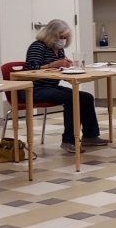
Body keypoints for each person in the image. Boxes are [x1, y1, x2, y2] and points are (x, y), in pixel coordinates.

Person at [25, 19, 106, 153]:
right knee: (72, 98)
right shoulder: (38, 46)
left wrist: (66, 65)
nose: (63, 40)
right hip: (35, 89)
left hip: (50, 87)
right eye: (61, 37)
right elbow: (31, 69)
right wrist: (53, 65)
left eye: (65, 38)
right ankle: (69, 141)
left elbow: (58, 66)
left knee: (86, 97)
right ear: (52, 35)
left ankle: (90, 136)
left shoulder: (58, 49)